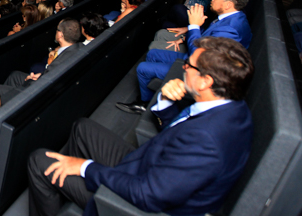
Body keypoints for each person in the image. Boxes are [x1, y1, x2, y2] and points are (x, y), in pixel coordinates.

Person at [27, 37, 254, 216]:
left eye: (189, 65)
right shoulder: (231, 106)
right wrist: (165, 100)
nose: (184, 67)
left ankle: (71, 188)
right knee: (82, 127)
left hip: (135, 196)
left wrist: (84, 168)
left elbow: (146, 194)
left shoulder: (207, 140)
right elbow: (177, 134)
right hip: (149, 164)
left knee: (39, 161)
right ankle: (64, 188)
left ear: (206, 81)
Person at [118, 0, 252, 114]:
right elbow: (208, 35)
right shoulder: (232, 17)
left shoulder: (230, 29)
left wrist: (194, 26)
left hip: (199, 71)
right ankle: (154, 89)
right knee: (153, 53)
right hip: (192, 59)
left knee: (142, 68)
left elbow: (200, 57)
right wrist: (186, 35)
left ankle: (144, 103)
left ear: (228, 4)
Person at [4, 18, 82, 88]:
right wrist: (40, 75)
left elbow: (43, 84)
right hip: (43, 78)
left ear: (60, 35)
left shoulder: (59, 62)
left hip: (37, 89)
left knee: (0, 86)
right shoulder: (80, 47)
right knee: (15, 75)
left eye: (58, 29)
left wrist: (30, 80)